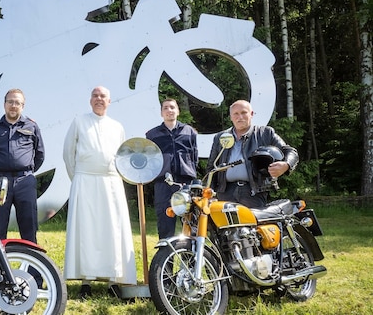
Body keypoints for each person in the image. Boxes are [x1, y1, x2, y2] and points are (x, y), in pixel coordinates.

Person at [63, 86, 137, 298]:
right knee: (86, 230)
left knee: (112, 230)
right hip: (85, 181)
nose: (99, 99)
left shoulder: (117, 126)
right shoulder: (79, 122)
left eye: (103, 96)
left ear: (109, 101)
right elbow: (68, 153)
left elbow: (122, 155)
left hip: (111, 183)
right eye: (95, 96)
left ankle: (113, 280)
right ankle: (86, 281)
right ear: (90, 100)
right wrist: (79, 177)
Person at [207, 100, 299, 208]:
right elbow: (211, 168)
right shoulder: (220, 137)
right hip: (225, 191)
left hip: (253, 191)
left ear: (251, 114)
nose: (240, 117)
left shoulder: (265, 133)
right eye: (236, 114)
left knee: (252, 224)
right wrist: (210, 193)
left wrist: (286, 165)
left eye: (243, 112)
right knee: (223, 224)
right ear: (231, 117)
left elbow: (291, 151)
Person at [0, 88, 45, 243]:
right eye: (10, 101)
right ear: (4, 104)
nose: (13, 105)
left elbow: (40, 155)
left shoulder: (32, 126)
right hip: (0, 182)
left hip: (25, 181)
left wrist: (25, 170)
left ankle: (32, 266)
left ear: (22, 106)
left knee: (29, 227)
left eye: (17, 102)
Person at [146, 98, 198, 239]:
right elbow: (150, 160)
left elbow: (194, 158)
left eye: (172, 107)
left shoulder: (189, 132)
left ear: (178, 111)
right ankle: (165, 260)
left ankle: (190, 260)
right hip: (163, 185)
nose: (169, 110)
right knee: (165, 227)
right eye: (166, 108)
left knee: (190, 226)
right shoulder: (152, 135)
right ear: (161, 113)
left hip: (185, 184)